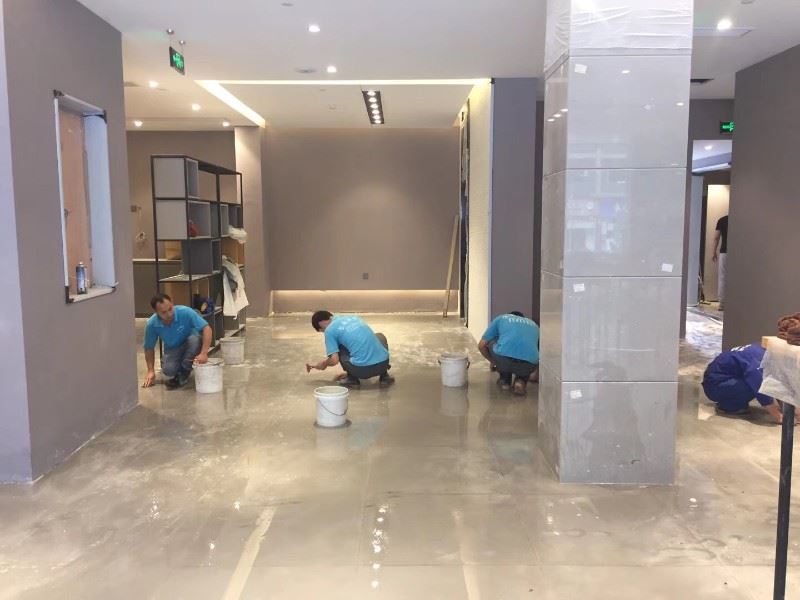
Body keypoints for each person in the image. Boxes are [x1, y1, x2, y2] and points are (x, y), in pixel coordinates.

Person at [701, 343, 789, 424]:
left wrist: (788, 410)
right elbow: (760, 387)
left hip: (719, 379)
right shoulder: (759, 361)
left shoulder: (763, 352)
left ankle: (732, 402)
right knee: (753, 385)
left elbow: (775, 383)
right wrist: (779, 416)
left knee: (757, 381)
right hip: (714, 386)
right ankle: (728, 406)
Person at [306, 311, 394, 389]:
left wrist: (324, 364)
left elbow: (334, 360)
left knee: (339, 346)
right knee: (379, 336)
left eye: (322, 331)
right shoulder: (353, 317)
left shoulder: (330, 330)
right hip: (383, 365)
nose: (324, 332)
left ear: (320, 324)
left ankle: (352, 379)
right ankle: (384, 376)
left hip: (363, 371)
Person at [142, 293, 212, 389]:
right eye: (163, 312)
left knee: (195, 340)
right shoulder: (151, 324)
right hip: (173, 348)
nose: (169, 314)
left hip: (191, 342)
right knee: (168, 370)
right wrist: (150, 371)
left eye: (170, 309)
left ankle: (184, 371)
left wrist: (204, 353)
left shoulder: (185, 312)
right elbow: (148, 348)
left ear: (172, 303)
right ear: (156, 312)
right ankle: (182, 368)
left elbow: (206, 328)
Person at [479, 311, 540, 396]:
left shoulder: (502, 318)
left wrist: (493, 362)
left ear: (510, 315)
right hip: (528, 365)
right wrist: (535, 374)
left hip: (504, 361)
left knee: (492, 341)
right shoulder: (534, 325)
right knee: (529, 351)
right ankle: (520, 381)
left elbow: (481, 345)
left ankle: (505, 381)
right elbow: (538, 352)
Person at [712, 214, 728, 310]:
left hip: (725, 252)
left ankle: (722, 304)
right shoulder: (740, 220)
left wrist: (713, 252)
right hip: (738, 252)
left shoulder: (722, 220)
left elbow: (716, 237)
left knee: (723, 277)